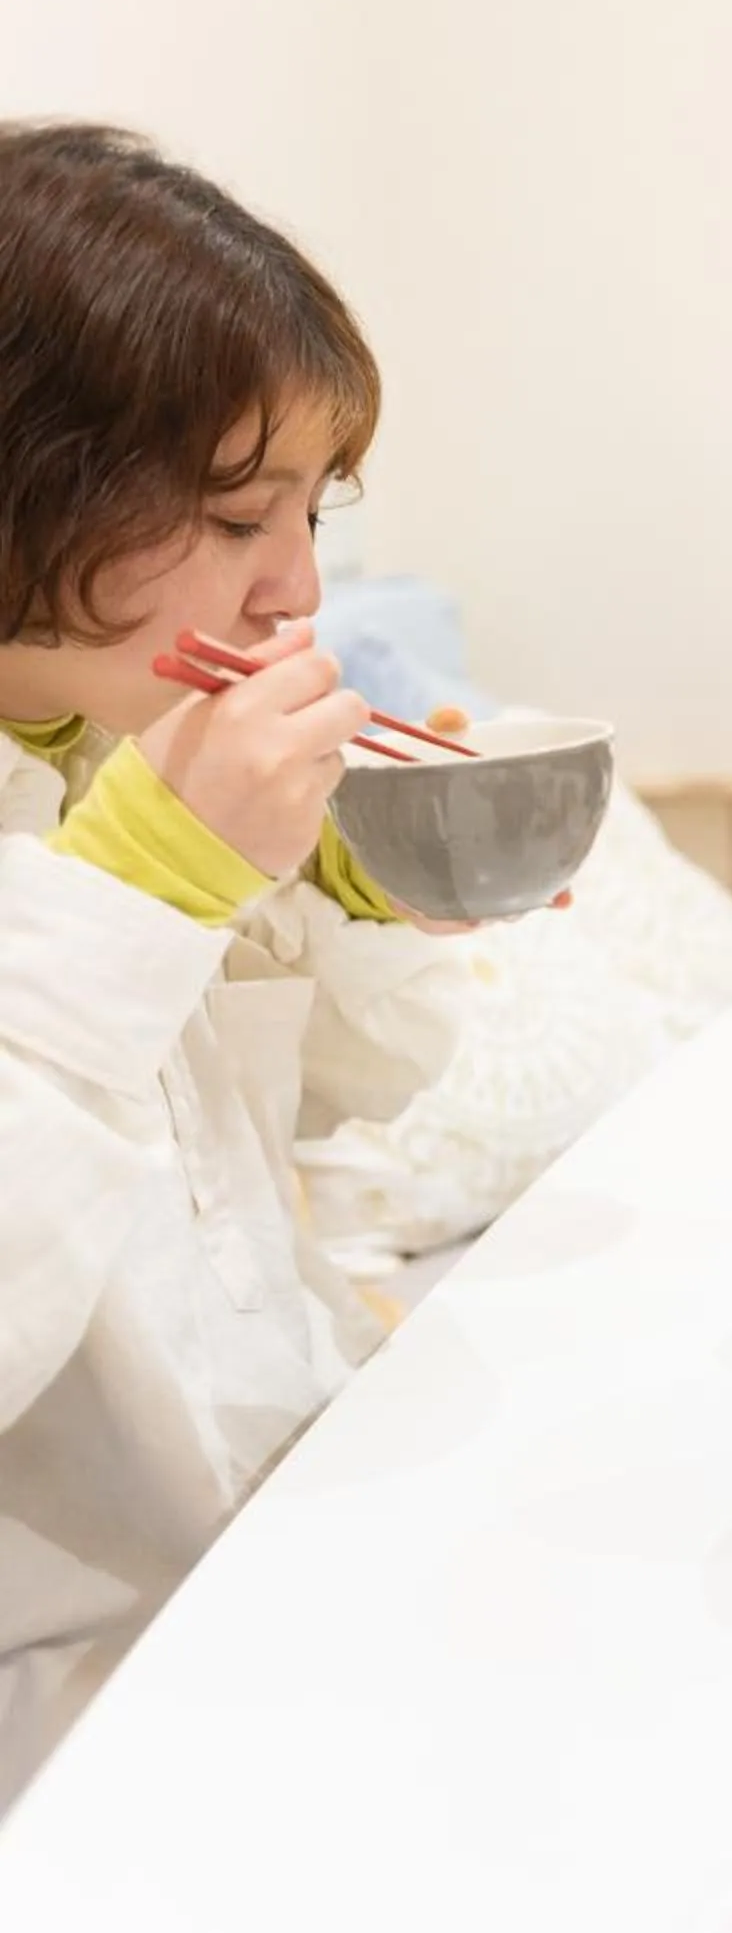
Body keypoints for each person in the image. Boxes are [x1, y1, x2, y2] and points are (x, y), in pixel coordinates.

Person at [0, 123, 482, 1804]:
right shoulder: (95, 812)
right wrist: (140, 891)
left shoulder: (95, 726)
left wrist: (347, 886)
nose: (297, 586)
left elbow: (358, 1103)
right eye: (230, 512)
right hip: (91, 1748)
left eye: (307, 507)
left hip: (300, 1589)